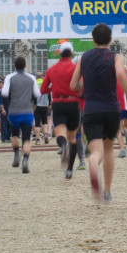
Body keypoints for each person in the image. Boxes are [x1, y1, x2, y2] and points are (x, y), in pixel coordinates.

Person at [70, 23, 127, 203]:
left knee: (96, 151)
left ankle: (92, 163)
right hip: (111, 108)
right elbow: (121, 75)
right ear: (110, 39)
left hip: (91, 109)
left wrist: (88, 83)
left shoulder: (84, 57)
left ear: (93, 40)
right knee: (108, 149)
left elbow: (73, 85)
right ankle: (107, 190)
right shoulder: (116, 56)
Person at [41, 42, 81, 179]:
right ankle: (69, 169)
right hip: (73, 102)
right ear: (71, 53)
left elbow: (43, 89)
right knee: (73, 137)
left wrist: (55, 88)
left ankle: (63, 146)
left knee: (59, 132)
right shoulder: (75, 68)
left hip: (58, 102)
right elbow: (82, 86)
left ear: (60, 53)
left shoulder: (52, 69)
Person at [1, 56, 41, 173]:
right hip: (27, 111)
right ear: (25, 66)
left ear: (14, 66)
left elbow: (4, 92)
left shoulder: (9, 77)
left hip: (14, 110)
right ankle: (26, 160)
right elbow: (37, 94)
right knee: (27, 137)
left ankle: (16, 154)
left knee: (14, 134)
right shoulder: (31, 78)